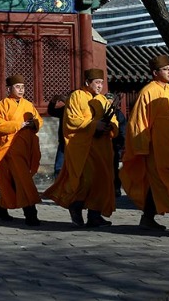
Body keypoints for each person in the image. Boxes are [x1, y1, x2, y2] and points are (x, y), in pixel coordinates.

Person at [120, 55, 169, 233]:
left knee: (158, 184)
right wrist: (142, 147)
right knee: (164, 182)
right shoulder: (147, 92)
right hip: (155, 148)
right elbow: (138, 121)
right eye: (165, 69)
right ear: (155, 73)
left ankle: (147, 219)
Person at [43, 68, 118, 228]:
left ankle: (94, 215)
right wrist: (94, 125)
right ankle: (75, 206)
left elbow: (115, 120)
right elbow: (71, 120)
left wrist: (110, 126)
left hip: (102, 147)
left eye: (101, 83)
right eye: (97, 82)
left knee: (101, 181)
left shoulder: (103, 100)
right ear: (87, 83)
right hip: (83, 146)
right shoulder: (76, 96)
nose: (100, 86)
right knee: (87, 179)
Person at [0, 75, 43, 226]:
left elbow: (39, 120)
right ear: (9, 89)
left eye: (23, 87)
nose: (21, 89)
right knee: (24, 180)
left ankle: (1, 207)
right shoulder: (2, 105)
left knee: (14, 182)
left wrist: (33, 124)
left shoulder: (28, 104)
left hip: (27, 148)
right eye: (17, 87)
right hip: (11, 150)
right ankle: (31, 213)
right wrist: (19, 124)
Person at [105, 92, 126, 199]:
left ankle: (116, 188)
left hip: (114, 145)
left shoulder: (118, 114)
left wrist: (121, 144)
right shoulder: (102, 113)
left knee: (113, 168)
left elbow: (123, 131)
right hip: (102, 145)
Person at [48, 94, 67, 177]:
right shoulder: (64, 110)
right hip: (63, 142)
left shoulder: (80, 110)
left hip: (76, 143)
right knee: (58, 169)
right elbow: (51, 111)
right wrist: (53, 101)